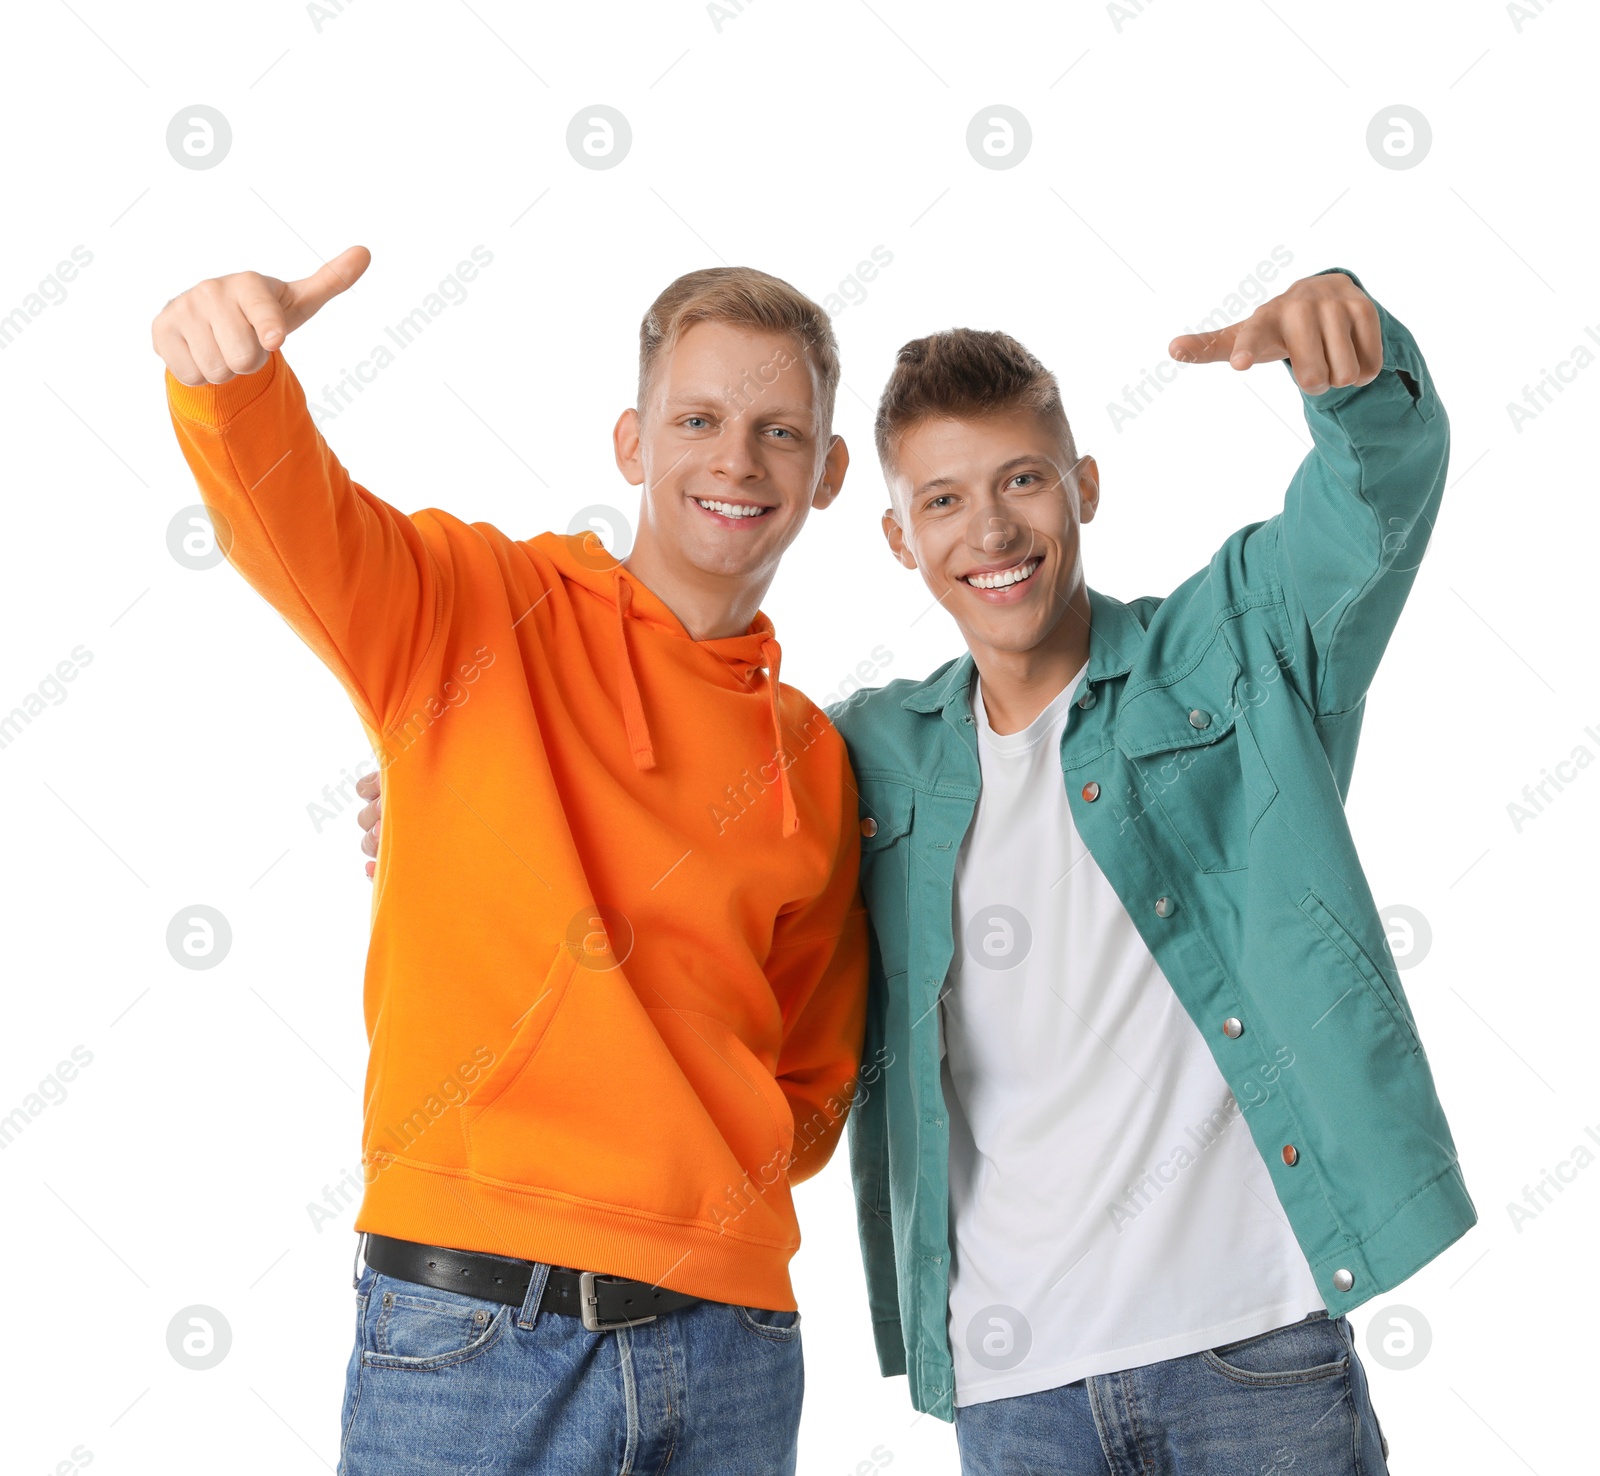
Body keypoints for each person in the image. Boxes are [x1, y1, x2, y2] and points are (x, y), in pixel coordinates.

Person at [154, 245, 869, 1476]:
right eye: (696, 419)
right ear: (631, 445)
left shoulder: (810, 756)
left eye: (779, 431)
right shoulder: (478, 610)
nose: (736, 461)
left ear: (832, 471)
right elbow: (298, 528)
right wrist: (236, 380)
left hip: (734, 1344)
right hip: (477, 1325)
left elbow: (813, 1077)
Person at [830, 265, 1473, 1473]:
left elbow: (1369, 504)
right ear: (898, 535)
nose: (992, 531)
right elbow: (692, 794)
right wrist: (468, 778)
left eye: (1022, 480)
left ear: (1081, 486)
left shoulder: (1228, 651)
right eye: (946, 500)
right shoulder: (871, 755)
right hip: (1016, 1391)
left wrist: (1351, 362)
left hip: (1254, 1351)